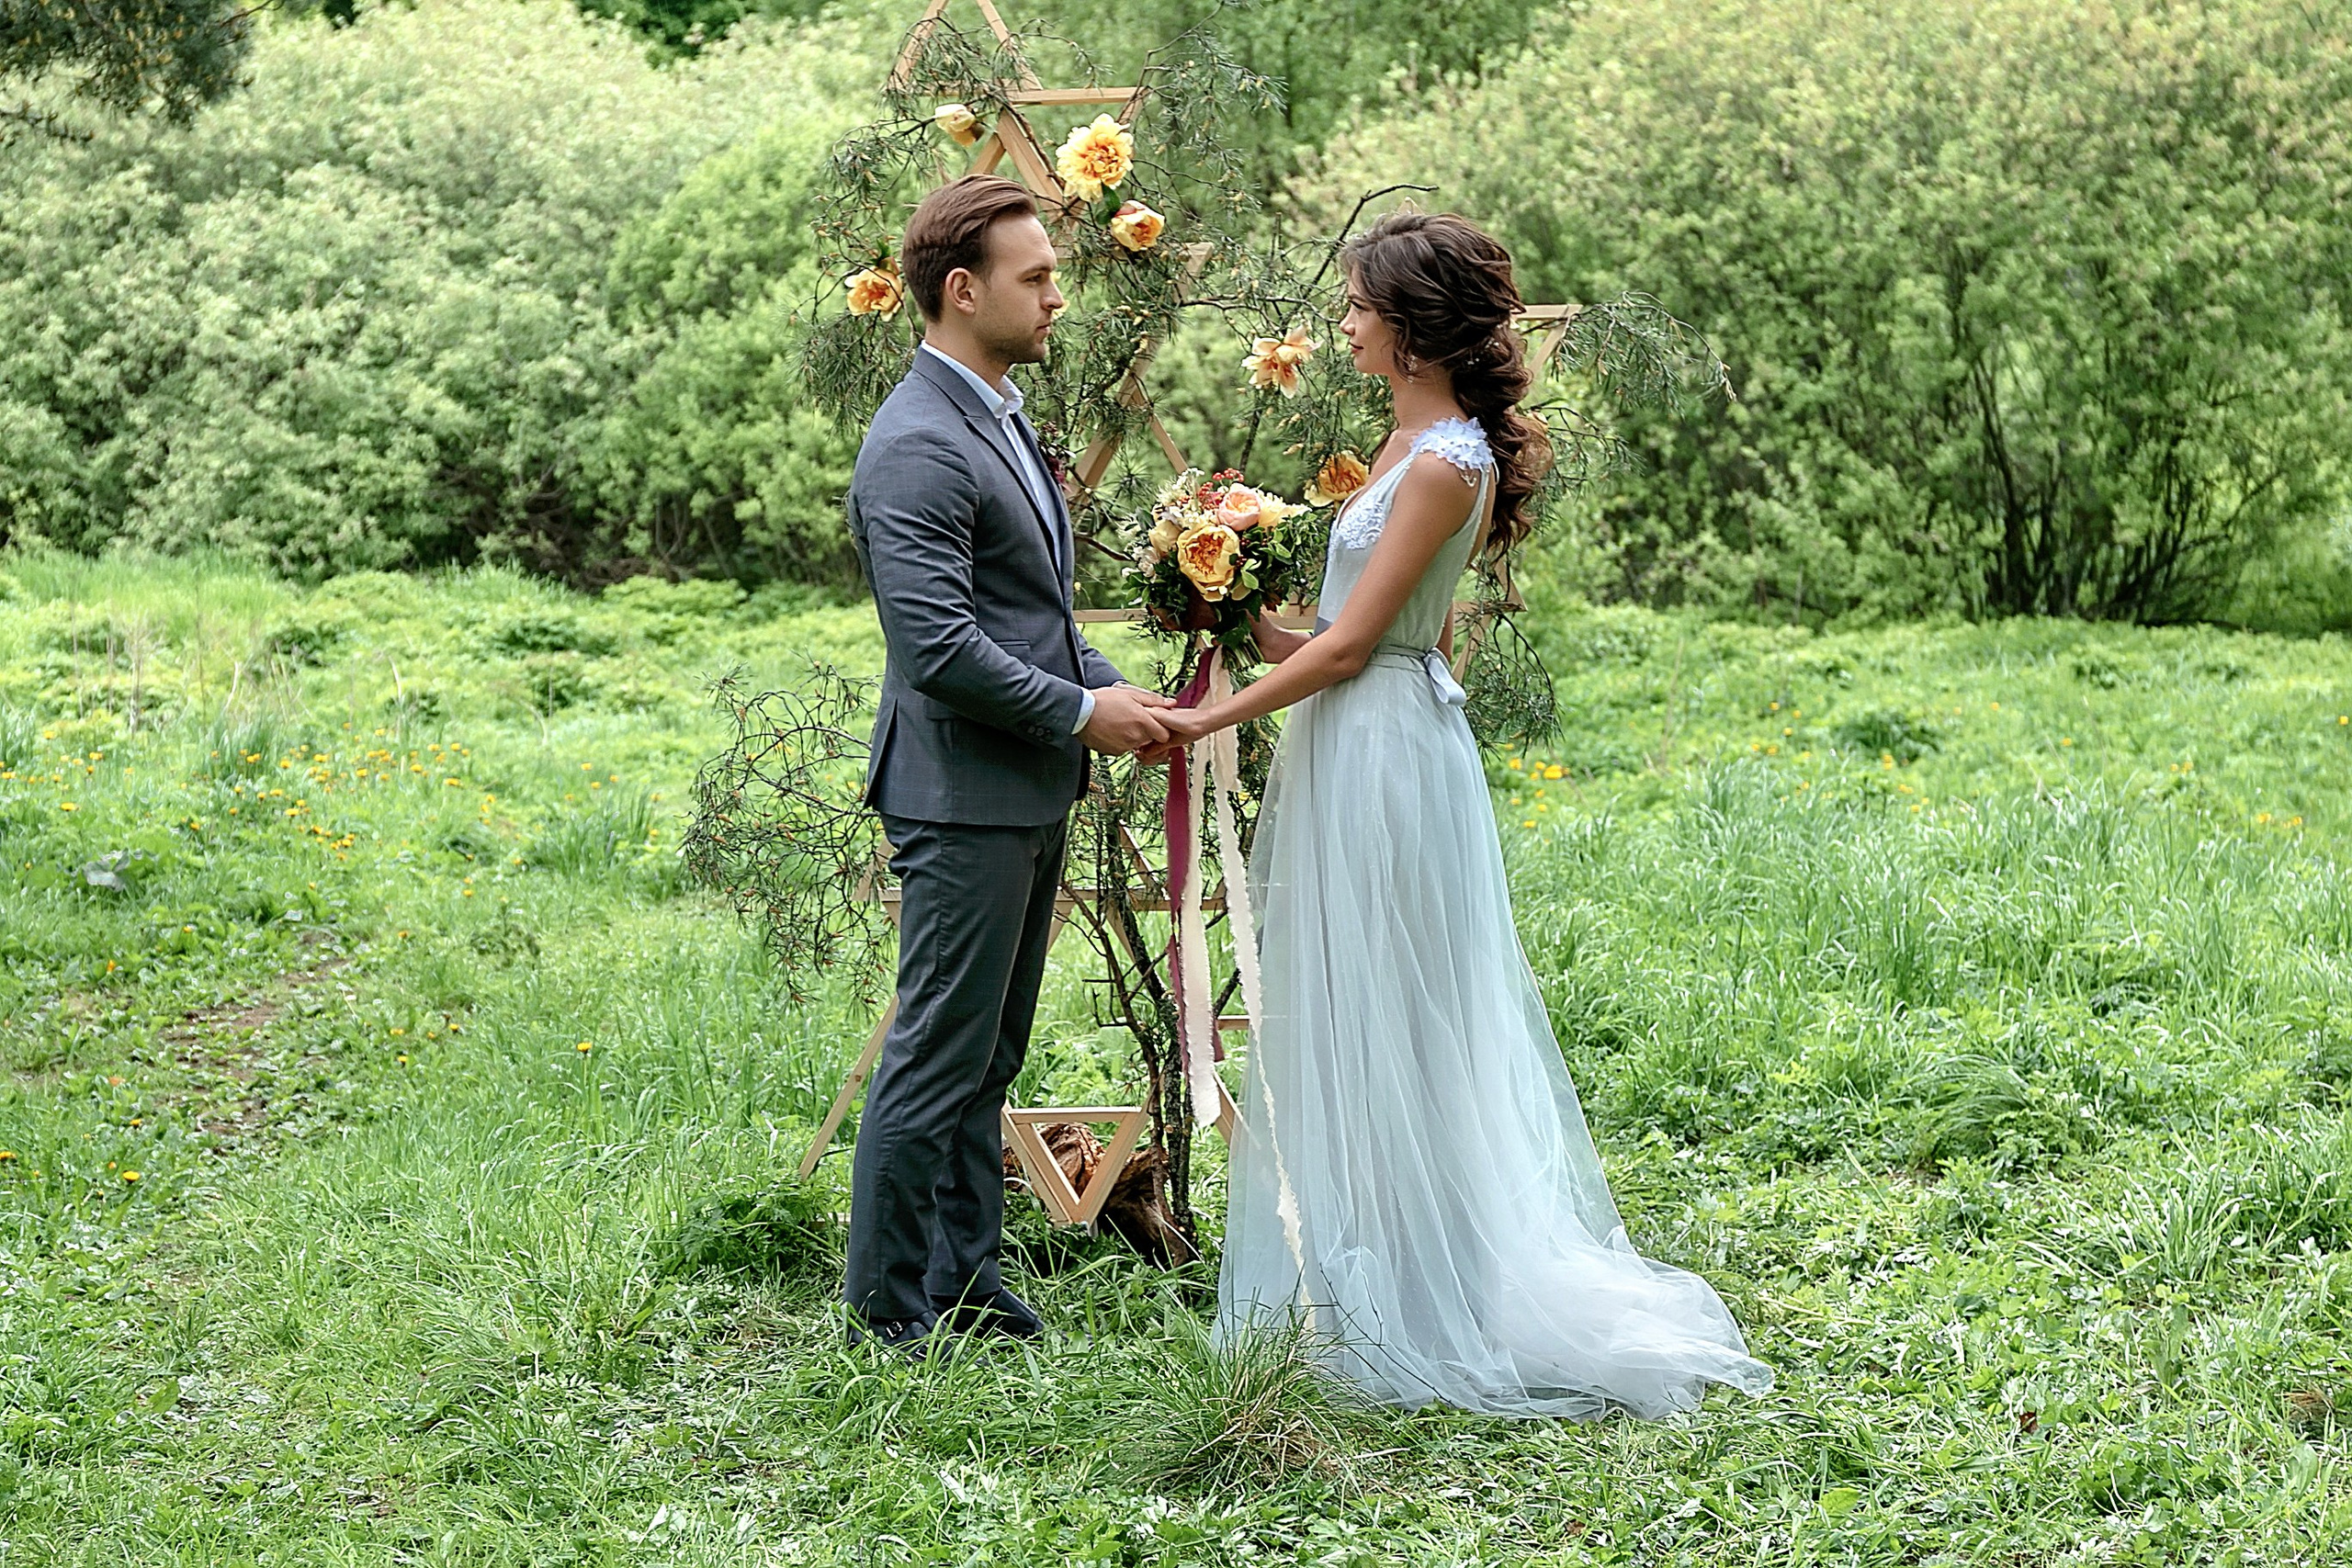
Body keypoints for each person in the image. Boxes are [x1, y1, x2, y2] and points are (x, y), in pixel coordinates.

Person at [1156, 211, 1775, 1417]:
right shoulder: (1403, 443)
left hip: (1386, 749)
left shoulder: (1448, 462)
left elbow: (1356, 653)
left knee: (1399, 1005)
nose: (1343, 323)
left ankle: (1432, 1291)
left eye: (1357, 306)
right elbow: (1357, 635)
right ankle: (1363, 1269)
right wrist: (1227, 620)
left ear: (1410, 325)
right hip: (1359, 730)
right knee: (1350, 996)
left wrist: (1197, 724)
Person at [842, 175, 1174, 1355]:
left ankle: (966, 1280)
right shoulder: (918, 442)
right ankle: (885, 1312)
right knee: (936, 1055)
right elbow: (936, 649)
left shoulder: (996, 410)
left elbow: (1027, 610)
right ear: (961, 289)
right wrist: (1082, 714)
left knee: (991, 1052)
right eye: (1034, 278)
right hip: (960, 795)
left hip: (1024, 782)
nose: (1055, 296)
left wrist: (1107, 683)